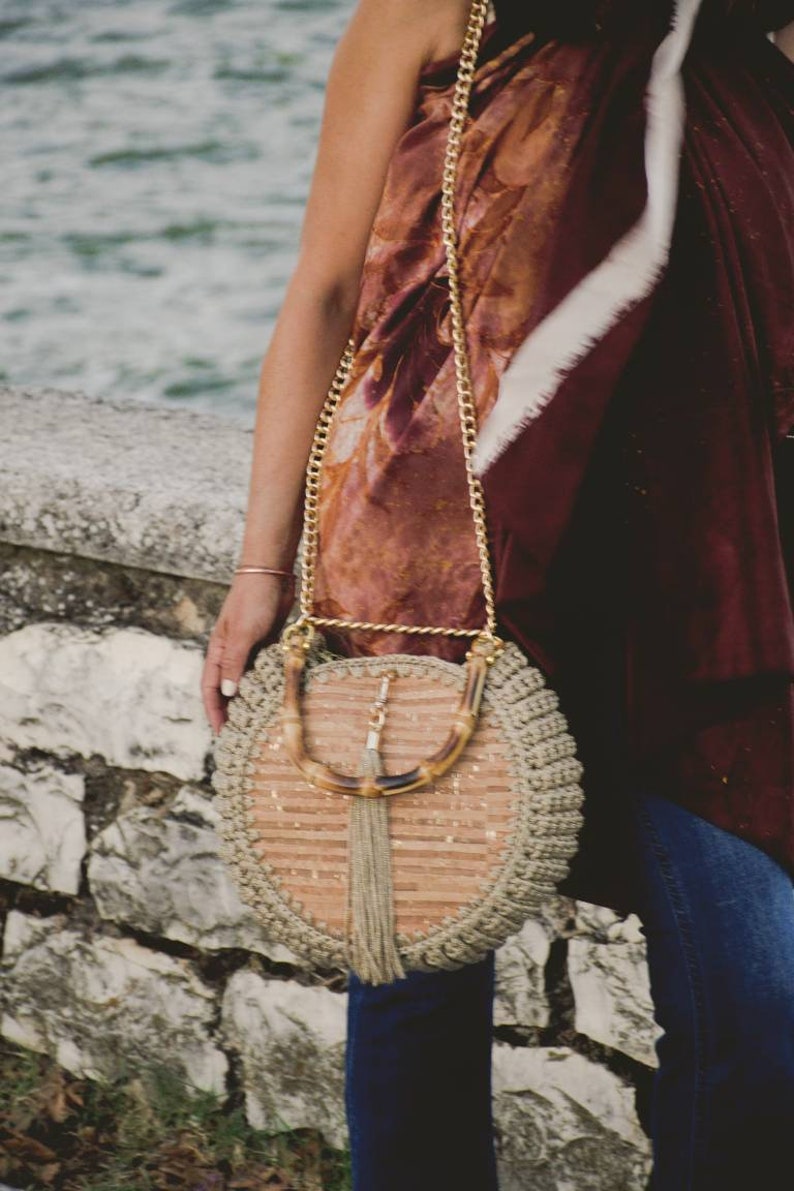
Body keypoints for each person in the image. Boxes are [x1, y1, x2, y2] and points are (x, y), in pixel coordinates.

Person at [201, 1, 794, 1187]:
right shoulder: (429, 9)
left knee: (759, 1003)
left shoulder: (740, 26)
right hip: (440, 568)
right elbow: (323, 288)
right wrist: (263, 569)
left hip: (699, 577)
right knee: (417, 963)